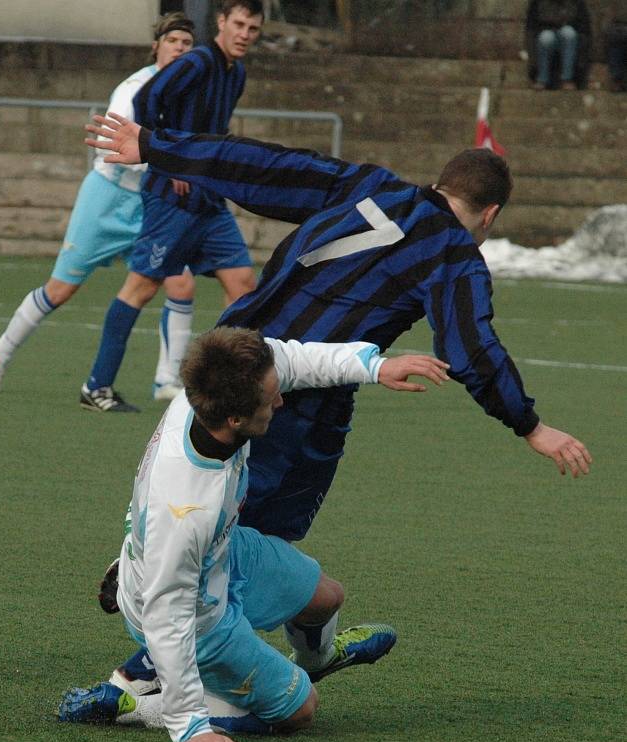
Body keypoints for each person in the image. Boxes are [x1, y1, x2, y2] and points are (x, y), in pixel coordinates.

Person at [84, 115, 593, 546]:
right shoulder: (455, 256)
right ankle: (155, 655)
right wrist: (530, 426)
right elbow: (472, 351)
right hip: (297, 399)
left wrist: (155, 145)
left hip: (227, 354)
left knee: (196, 494)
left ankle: (306, 640)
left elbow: (267, 166)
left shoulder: (368, 185)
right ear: (491, 214)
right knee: (256, 540)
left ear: (441, 183)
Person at [58, 327, 452, 742]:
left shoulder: (207, 393)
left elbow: (289, 360)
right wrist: (189, 725)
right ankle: (135, 704)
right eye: (270, 400)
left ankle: (315, 660)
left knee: (326, 598)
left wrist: (374, 366)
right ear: (234, 419)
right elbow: (168, 620)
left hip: (221, 555)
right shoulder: (189, 510)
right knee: (301, 711)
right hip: (195, 618)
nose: (280, 401)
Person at [0, 13, 196, 402]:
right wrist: (173, 162)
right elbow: (119, 146)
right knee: (60, 289)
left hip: (151, 201)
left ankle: (168, 381)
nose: (180, 48)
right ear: (156, 46)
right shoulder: (134, 90)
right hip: (109, 197)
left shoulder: (191, 92)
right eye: (173, 40)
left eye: (187, 43)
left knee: (180, 281)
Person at [79, 0, 264, 413]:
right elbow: (148, 98)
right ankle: (97, 387)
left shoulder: (237, 73)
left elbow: (213, 128)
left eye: (252, 28)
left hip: (208, 198)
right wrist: (166, 155)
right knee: (141, 288)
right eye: (238, 24)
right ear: (221, 23)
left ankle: (232, 390)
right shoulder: (198, 62)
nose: (244, 34)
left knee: (243, 285)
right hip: (171, 198)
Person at [525, 0, 592, 91]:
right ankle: (542, 79)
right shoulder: (537, 3)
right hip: (546, 37)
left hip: (569, 39)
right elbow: (531, 31)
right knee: (546, 37)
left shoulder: (576, 3)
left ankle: (567, 79)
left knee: (568, 33)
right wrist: (533, 63)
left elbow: (584, 30)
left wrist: (581, 63)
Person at [604, 2, 627, 92]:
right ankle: (617, 80)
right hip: (619, 33)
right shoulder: (614, 6)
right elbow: (606, 26)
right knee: (615, 38)